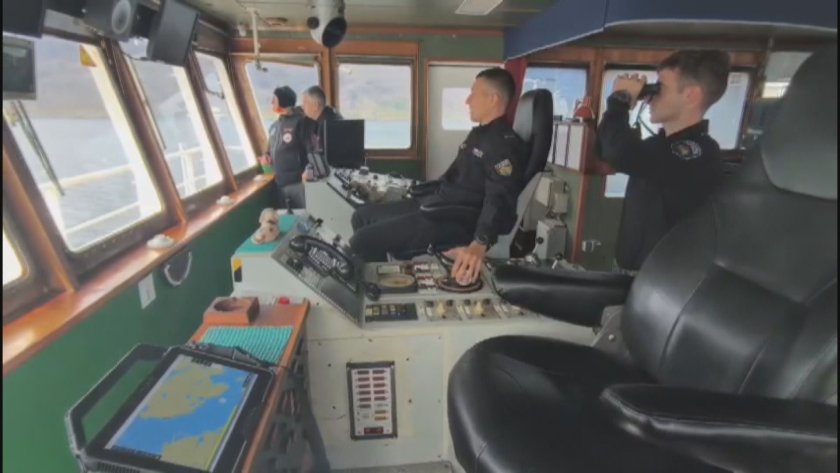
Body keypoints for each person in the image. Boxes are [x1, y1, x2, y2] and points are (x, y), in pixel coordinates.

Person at [349, 67, 526, 285]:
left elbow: (498, 197)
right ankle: (387, 276)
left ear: (493, 99)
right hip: (438, 204)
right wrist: (422, 191)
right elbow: (453, 177)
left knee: (361, 242)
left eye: (473, 93)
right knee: (361, 217)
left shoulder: (502, 144)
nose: (467, 101)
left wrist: (480, 242)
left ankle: (384, 289)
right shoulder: (480, 134)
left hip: (453, 220)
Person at [596, 49, 730, 272]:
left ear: (691, 95)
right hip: (636, 276)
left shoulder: (695, 153)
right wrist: (620, 106)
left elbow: (618, 152)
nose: (650, 97)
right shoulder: (661, 147)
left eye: (660, 88)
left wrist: (620, 100)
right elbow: (605, 149)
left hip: (664, 281)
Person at [259, 86, 308, 209]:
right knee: (284, 217)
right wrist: (266, 156)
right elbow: (270, 149)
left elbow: (312, 150)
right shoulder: (274, 126)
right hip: (279, 183)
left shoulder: (301, 123)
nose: (271, 102)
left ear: (283, 101)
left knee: (304, 215)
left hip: (298, 183)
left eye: (274, 99)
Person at [300, 85, 342, 181]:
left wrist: (309, 172)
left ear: (316, 105)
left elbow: (323, 160)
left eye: (305, 102)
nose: (302, 107)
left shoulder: (327, 124)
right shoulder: (328, 116)